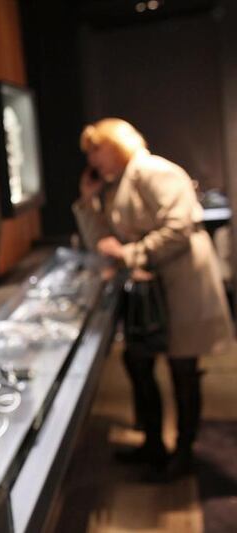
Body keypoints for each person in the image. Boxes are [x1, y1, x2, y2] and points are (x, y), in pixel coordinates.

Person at [73, 118, 234, 480]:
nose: (92, 159)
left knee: (183, 370)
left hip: (183, 284)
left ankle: (184, 452)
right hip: (154, 289)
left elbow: (181, 226)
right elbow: (102, 242)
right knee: (138, 361)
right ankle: (154, 443)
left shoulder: (152, 171)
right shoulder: (119, 184)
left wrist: (132, 254)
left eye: (95, 149)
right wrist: (87, 202)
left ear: (115, 144)